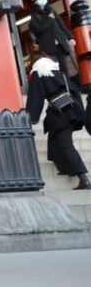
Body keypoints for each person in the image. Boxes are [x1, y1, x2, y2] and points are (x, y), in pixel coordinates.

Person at [26, 51, 89, 190]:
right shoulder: (59, 73)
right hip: (71, 111)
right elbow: (75, 92)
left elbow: (35, 97)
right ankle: (66, 168)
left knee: (66, 146)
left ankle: (83, 177)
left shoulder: (39, 73)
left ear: (33, 62)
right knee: (54, 138)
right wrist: (80, 112)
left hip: (61, 115)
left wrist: (31, 117)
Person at [29, 0, 78, 81]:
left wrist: (70, 37)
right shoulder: (34, 16)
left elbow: (61, 25)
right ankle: (62, 90)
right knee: (54, 69)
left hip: (60, 43)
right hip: (48, 47)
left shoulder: (51, 10)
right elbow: (39, 29)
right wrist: (49, 19)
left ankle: (69, 89)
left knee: (65, 68)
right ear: (35, 1)